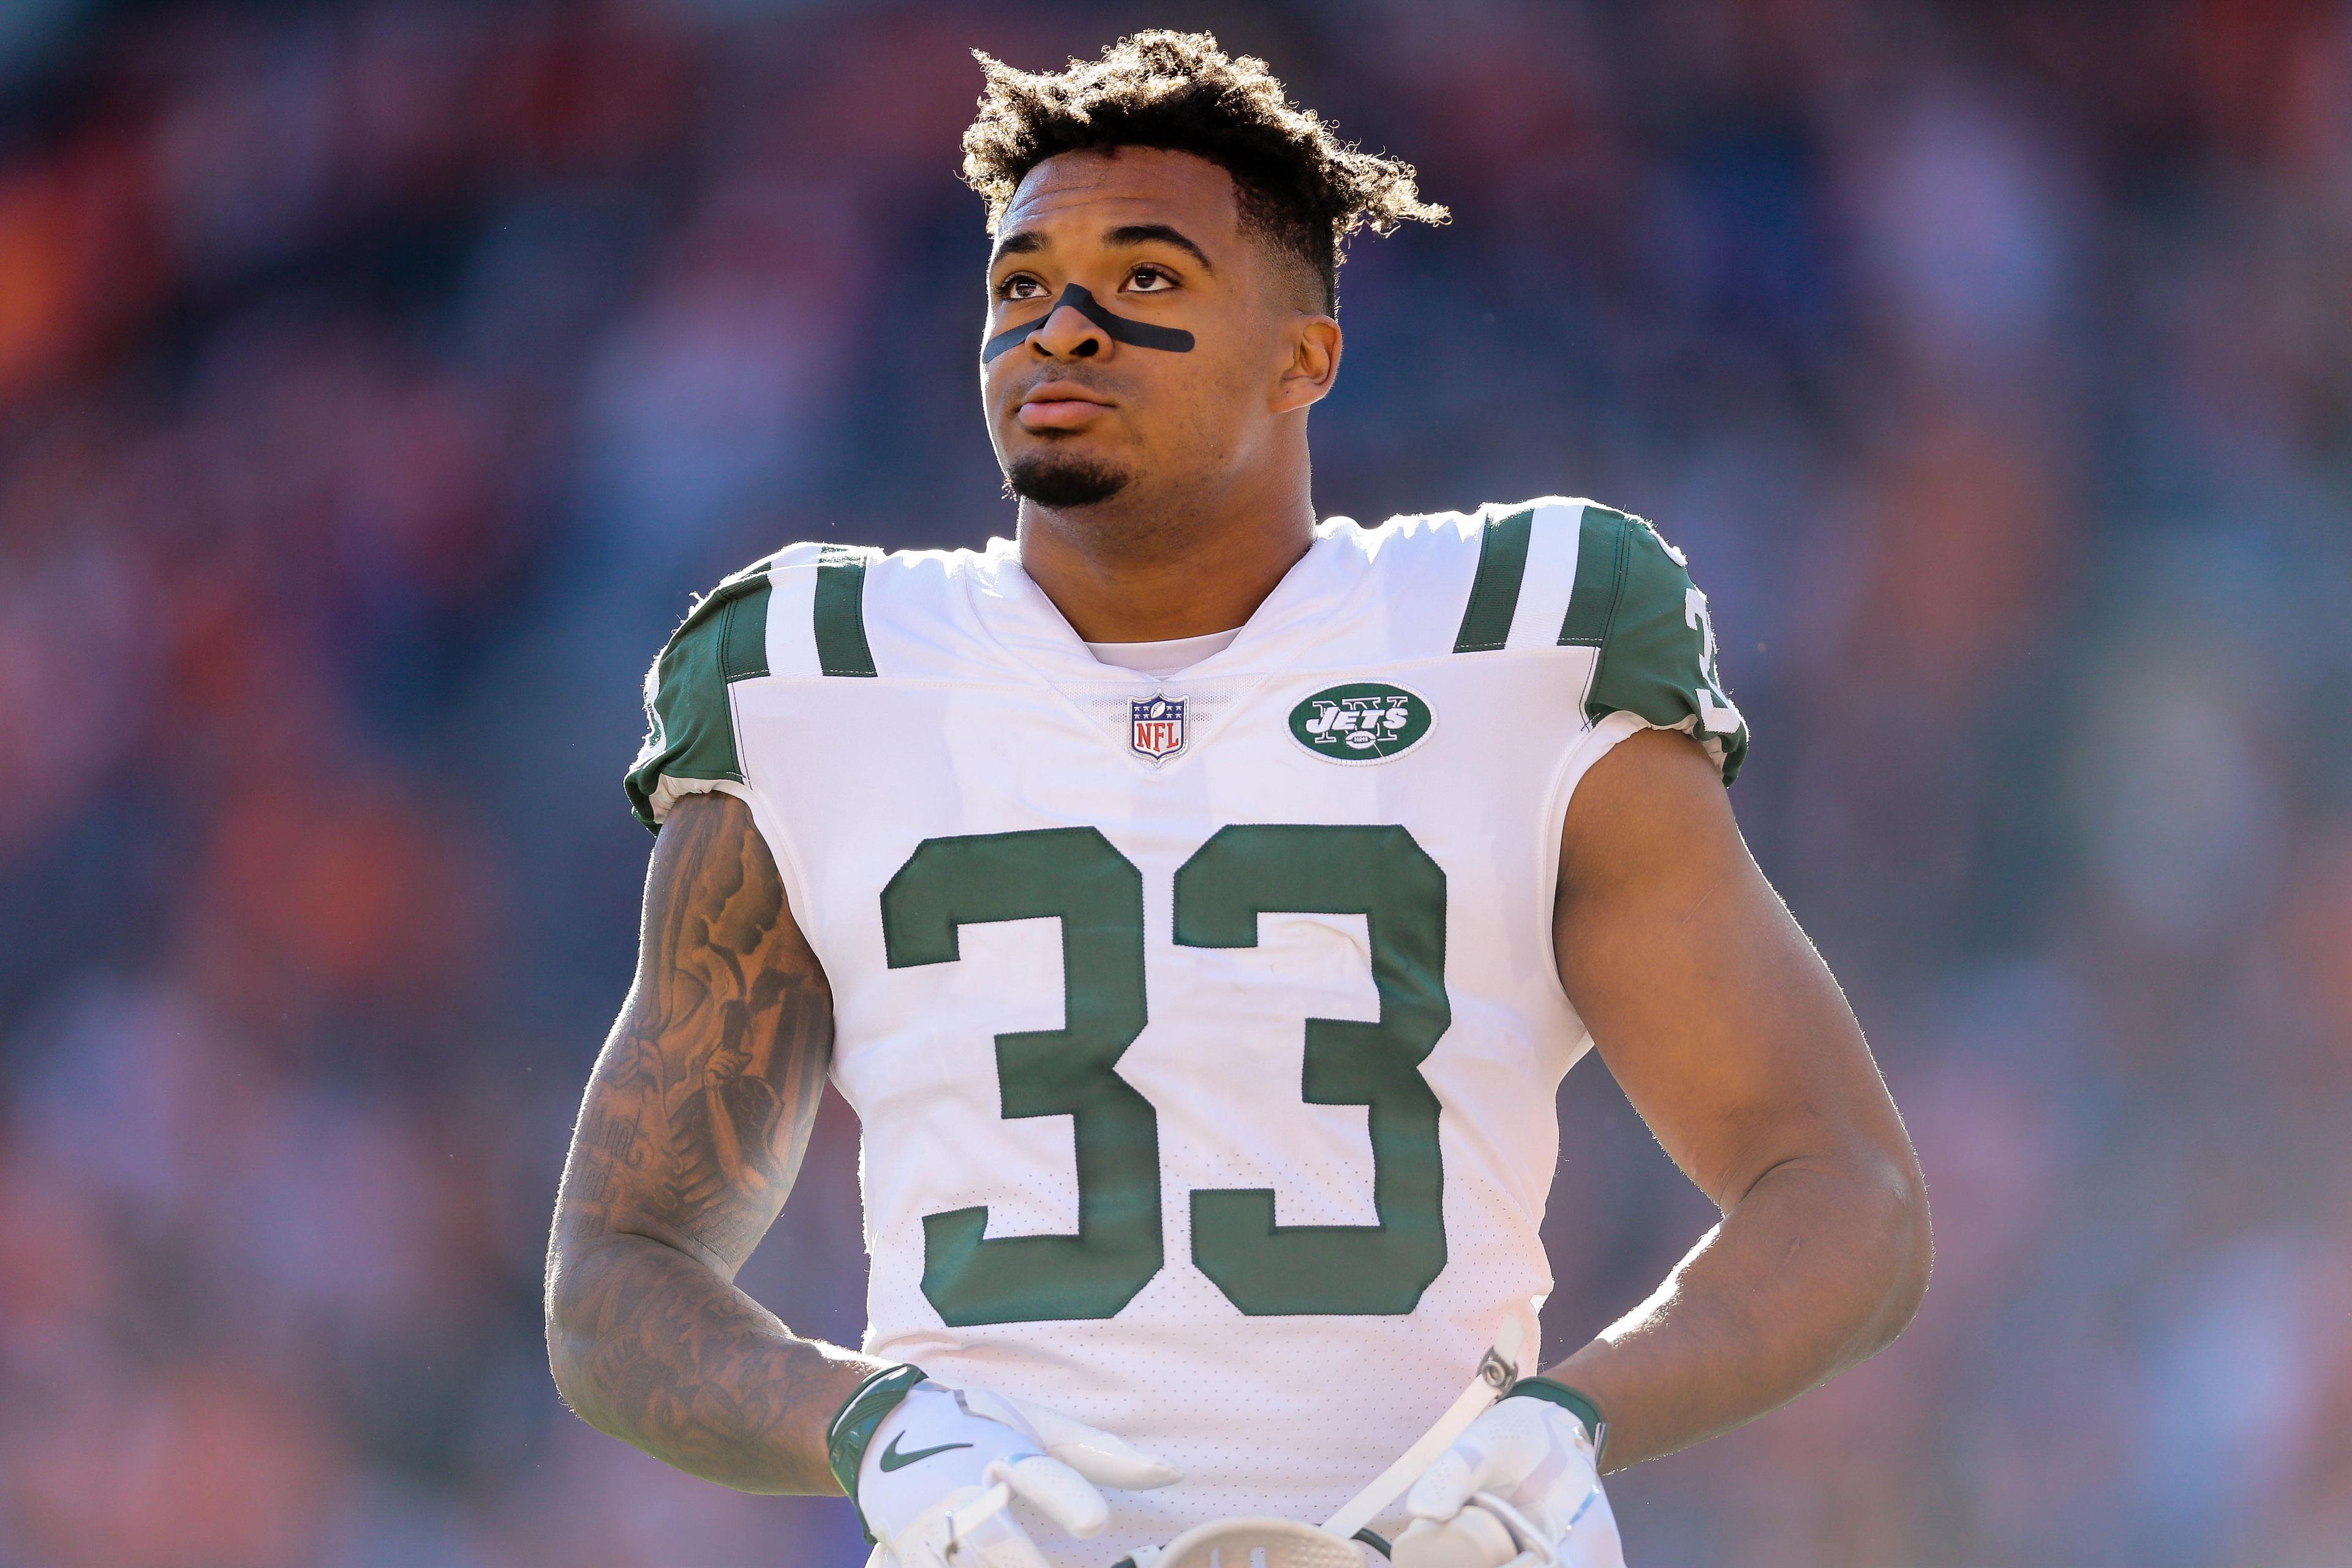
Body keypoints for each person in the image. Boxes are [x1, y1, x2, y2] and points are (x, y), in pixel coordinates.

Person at [545, 31, 1930, 1568]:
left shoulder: (1518, 634)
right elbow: (618, 1268)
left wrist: (1568, 1423)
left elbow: (1844, 1193)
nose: (1058, 327)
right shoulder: (815, 675)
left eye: (1145, 280)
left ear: (1304, 357)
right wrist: (868, 1428)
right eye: (1019, 285)